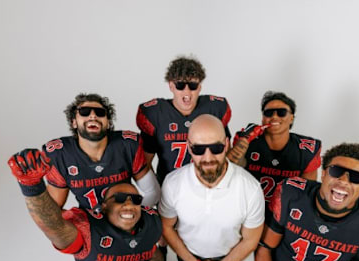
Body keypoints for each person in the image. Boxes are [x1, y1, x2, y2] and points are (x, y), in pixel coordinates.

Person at [8, 149, 175, 261]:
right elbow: (55, 227)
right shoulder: (89, 228)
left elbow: (152, 254)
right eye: (119, 198)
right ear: (103, 206)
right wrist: (33, 187)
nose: (129, 205)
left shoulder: (150, 221)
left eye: (136, 199)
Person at [158, 115, 265, 261]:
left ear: (226, 144)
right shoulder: (173, 183)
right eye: (199, 149)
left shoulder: (250, 188)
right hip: (188, 253)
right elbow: (166, 227)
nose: (208, 157)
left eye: (215, 148)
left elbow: (251, 240)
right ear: (189, 148)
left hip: (227, 258)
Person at [43, 93, 160, 211]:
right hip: (91, 224)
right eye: (85, 112)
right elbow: (53, 212)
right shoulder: (60, 154)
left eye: (100, 112)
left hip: (124, 221)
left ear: (108, 122)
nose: (93, 116)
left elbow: (152, 192)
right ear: (74, 122)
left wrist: (132, 215)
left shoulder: (127, 145)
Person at [136, 56, 232, 184]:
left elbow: (226, 157)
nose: (187, 91)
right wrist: (155, 191)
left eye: (192, 85)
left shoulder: (215, 109)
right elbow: (145, 163)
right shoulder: (155, 114)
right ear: (171, 86)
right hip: (170, 187)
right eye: (180, 85)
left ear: (199, 87)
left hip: (208, 186)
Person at [227, 91, 322, 201]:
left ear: (291, 118)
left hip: (285, 212)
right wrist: (237, 155)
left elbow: (306, 194)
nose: (274, 117)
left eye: (281, 112)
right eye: (269, 113)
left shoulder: (306, 150)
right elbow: (236, 171)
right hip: (248, 205)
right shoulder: (247, 139)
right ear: (263, 118)